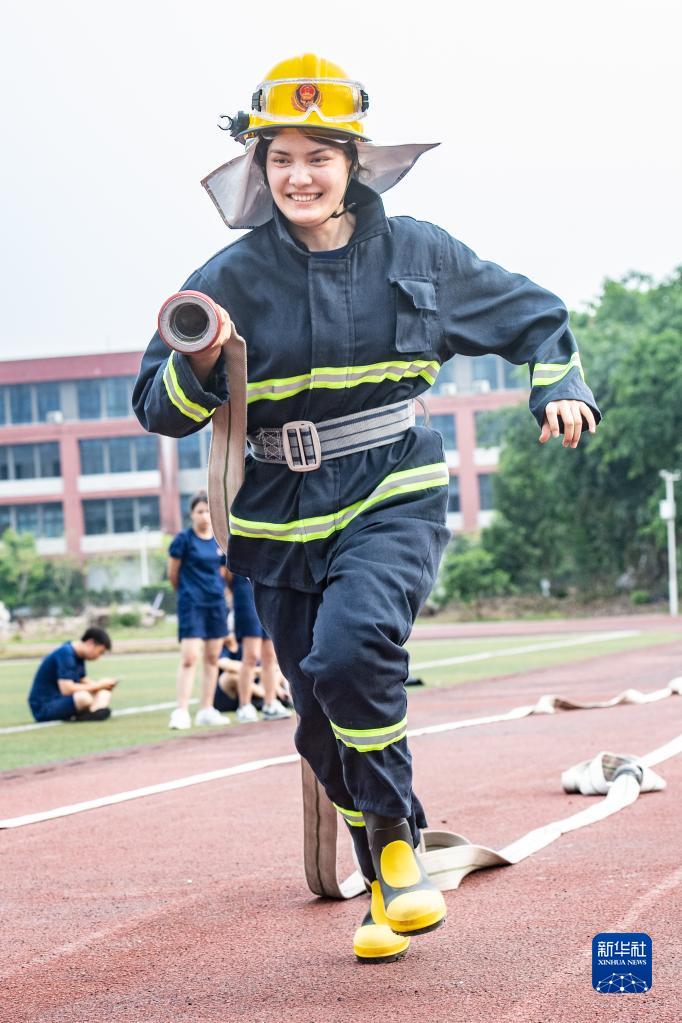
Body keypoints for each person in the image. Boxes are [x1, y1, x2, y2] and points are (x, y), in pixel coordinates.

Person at [133, 53, 600, 962]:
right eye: (280, 159)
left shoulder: (421, 251)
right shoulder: (227, 276)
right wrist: (201, 363)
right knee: (317, 722)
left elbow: (536, 317)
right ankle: (388, 876)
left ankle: (393, 846)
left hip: (393, 486)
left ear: (354, 163)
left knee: (351, 651)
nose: (299, 176)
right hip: (276, 515)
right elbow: (156, 407)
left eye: (319, 156)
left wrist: (559, 384)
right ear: (259, 168)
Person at [167, 491, 230, 729]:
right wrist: (187, 594)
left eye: (207, 511)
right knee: (190, 657)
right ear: (192, 514)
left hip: (216, 604)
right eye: (199, 511)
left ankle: (207, 708)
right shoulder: (183, 540)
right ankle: (181, 710)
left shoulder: (219, 540)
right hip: (191, 605)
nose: (204, 516)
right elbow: (173, 574)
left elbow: (224, 573)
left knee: (213, 658)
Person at [230, 572, 292, 722]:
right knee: (251, 655)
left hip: (266, 591)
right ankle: (244, 706)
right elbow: (225, 574)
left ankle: (270, 703)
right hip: (245, 593)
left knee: (270, 655)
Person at [27, 627, 116, 723]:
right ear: (90, 643)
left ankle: (90, 713)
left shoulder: (78, 655)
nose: (99, 657)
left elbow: (82, 679)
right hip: (45, 706)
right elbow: (67, 690)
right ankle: (90, 713)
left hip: (62, 700)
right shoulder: (65, 653)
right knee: (84, 697)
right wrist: (99, 685)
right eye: (100, 652)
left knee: (104, 693)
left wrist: (104, 686)